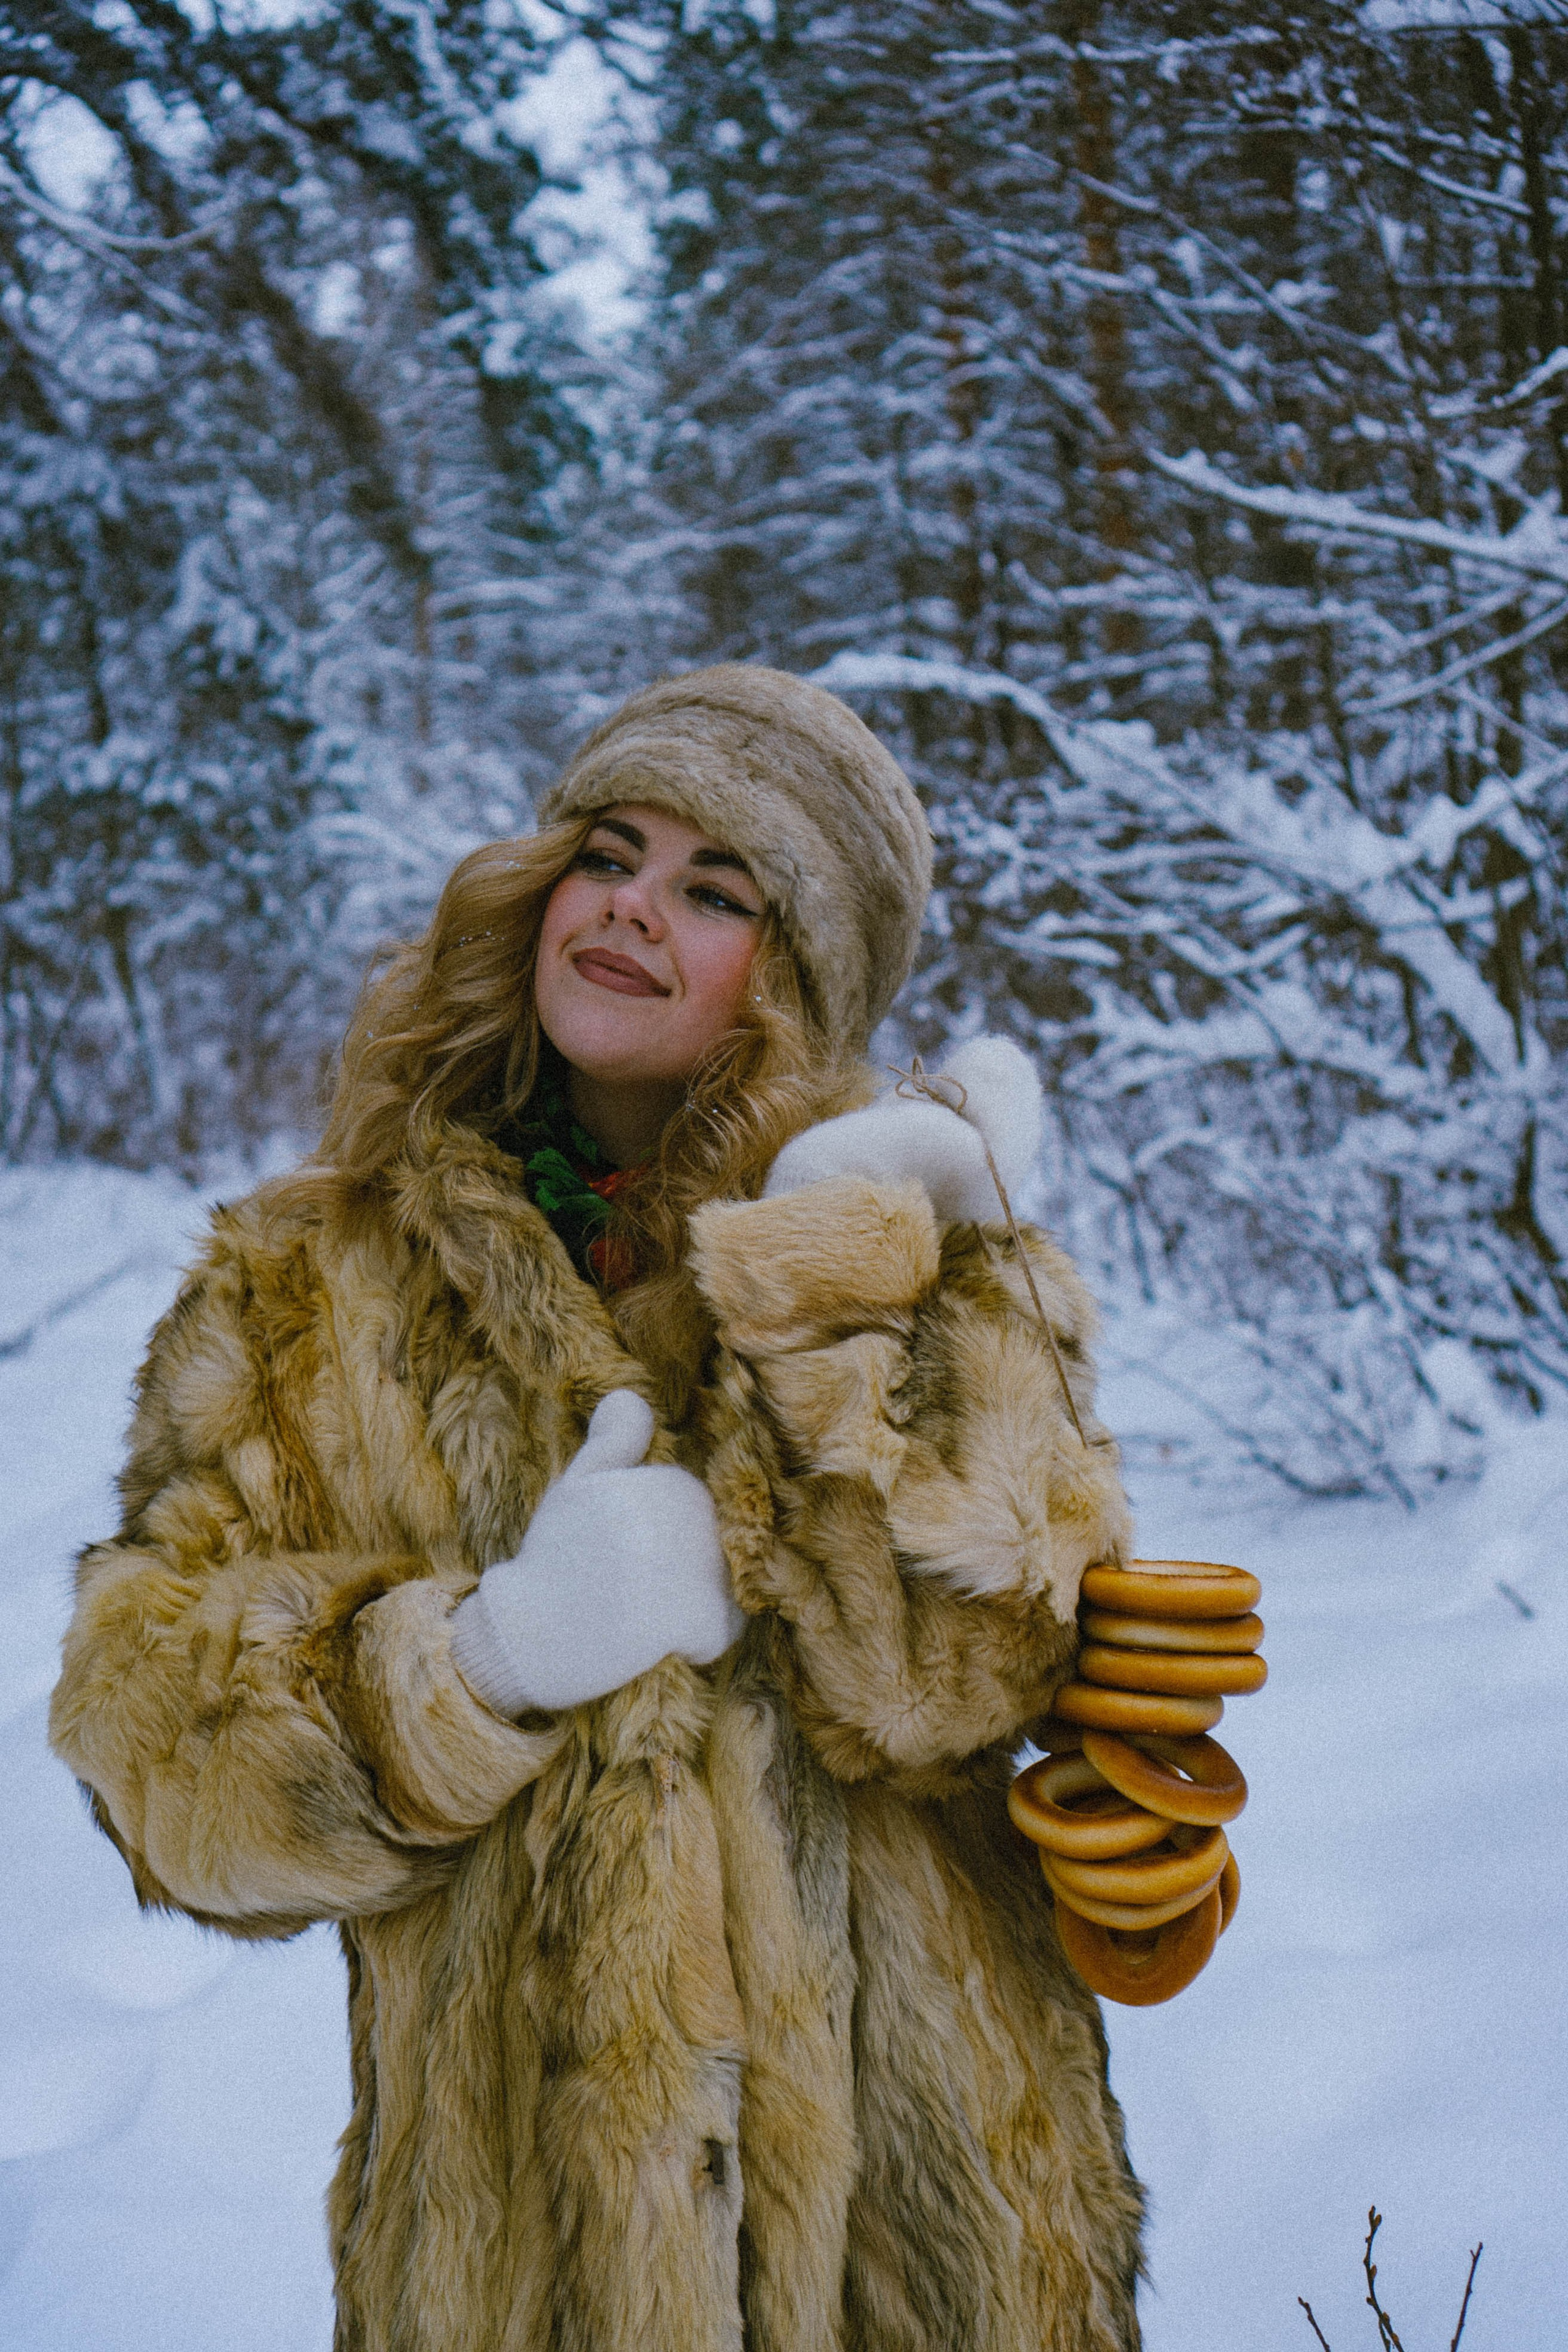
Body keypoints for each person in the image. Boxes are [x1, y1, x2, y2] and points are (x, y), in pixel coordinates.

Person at [50, 666, 1144, 2352]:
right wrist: (473, 1666)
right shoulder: (306, 1282)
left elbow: (972, 1677)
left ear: (799, 973)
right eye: (612, 853)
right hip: (516, 2271)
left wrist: (853, 1289)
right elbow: (150, 1751)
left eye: (717, 892)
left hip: (929, 2258)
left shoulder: (911, 1249)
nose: (634, 909)